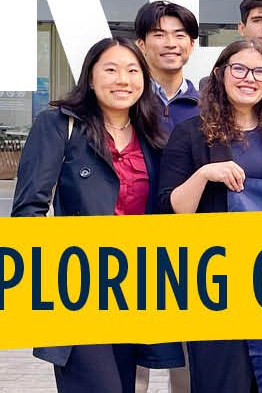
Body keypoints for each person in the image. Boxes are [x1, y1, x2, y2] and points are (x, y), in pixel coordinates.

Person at [12, 37, 183, 392]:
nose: (123, 79)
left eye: (133, 70)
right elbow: (28, 209)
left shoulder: (153, 136)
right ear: (90, 78)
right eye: (111, 69)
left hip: (138, 289)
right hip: (79, 289)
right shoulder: (59, 125)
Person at [159, 39, 262, 393]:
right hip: (215, 285)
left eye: (259, 71)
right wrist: (204, 174)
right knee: (220, 380)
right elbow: (171, 209)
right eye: (239, 69)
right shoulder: (190, 133)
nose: (250, 78)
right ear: (220, 74)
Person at [134, 0, 201, 135]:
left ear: (192, 44)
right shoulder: (130, 102)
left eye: (179, 35)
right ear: (141, 45)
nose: (171, 44)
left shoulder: (208, 107)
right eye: (159, 35)